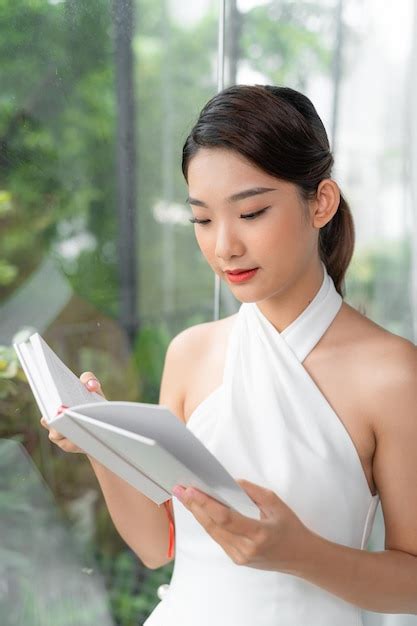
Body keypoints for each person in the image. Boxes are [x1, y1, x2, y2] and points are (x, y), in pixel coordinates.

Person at [41, 84, 417, 625]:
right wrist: (98, 440)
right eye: (202, 219)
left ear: (321, 202)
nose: (224, 247)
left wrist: (300, 555)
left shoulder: (391, 372)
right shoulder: (190, 353)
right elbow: (157, 546)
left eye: (252, 212)